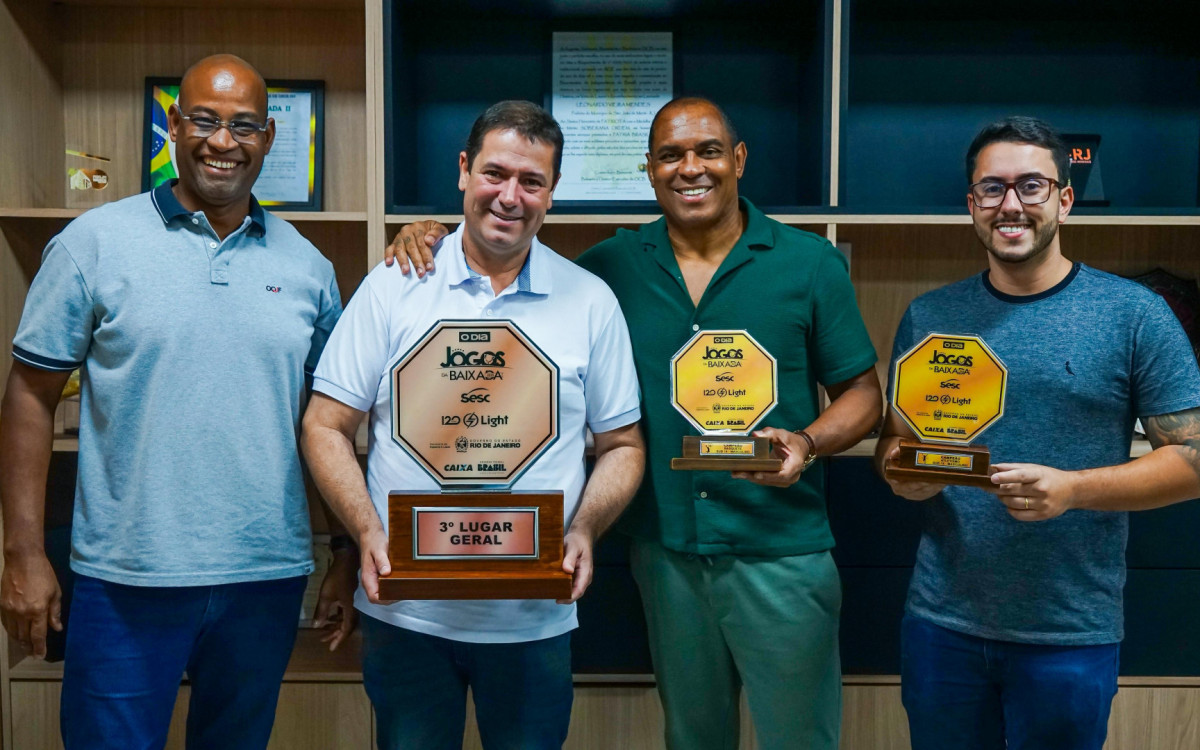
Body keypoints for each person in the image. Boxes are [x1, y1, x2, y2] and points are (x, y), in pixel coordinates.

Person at [386, 96, 882, 750]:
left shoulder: (808, 262)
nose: (690, 168)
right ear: (648, 170)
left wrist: (809, 440)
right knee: (691, 737)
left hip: (782, 549)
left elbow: (863, 395)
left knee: (802, 740)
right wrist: (432, 236)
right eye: (671, 156)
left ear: (738, 159)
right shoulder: (609, 269)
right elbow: (511, 273)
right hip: (665, 552)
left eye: (708, 151)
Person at [0, 55, 343, 748]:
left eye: (244, 125)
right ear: (174, 124)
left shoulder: (309, 267)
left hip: (266, 578)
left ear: (270, 138)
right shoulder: (93, 244)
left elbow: (324, 425)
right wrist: (23, 553)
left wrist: (339, 548)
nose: (224, 141)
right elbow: (29, 399)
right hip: (127, 579)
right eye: (206, 121)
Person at [301, 100, 645, 750]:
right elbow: (325, 425)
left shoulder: (590, 302)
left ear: (552, 192)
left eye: (531, 181)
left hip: (532, 621)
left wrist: (585, 529)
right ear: (463, 170)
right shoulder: (393, 285)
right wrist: (366, 534)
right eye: (495, 173)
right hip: (407, 616)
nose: (509, 196)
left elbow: (623, 445)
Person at [874, 116, 1200, 750]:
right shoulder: (930, 314)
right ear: (972, 204)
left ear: (1064, 199)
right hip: (942, 625)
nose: (1011, 204)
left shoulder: (1132, 314)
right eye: (991, 189)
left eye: (1031, 185)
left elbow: (1193, 459)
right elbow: (896, 444)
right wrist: (902, 475)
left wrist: (1072, 490)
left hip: (1069, 632)